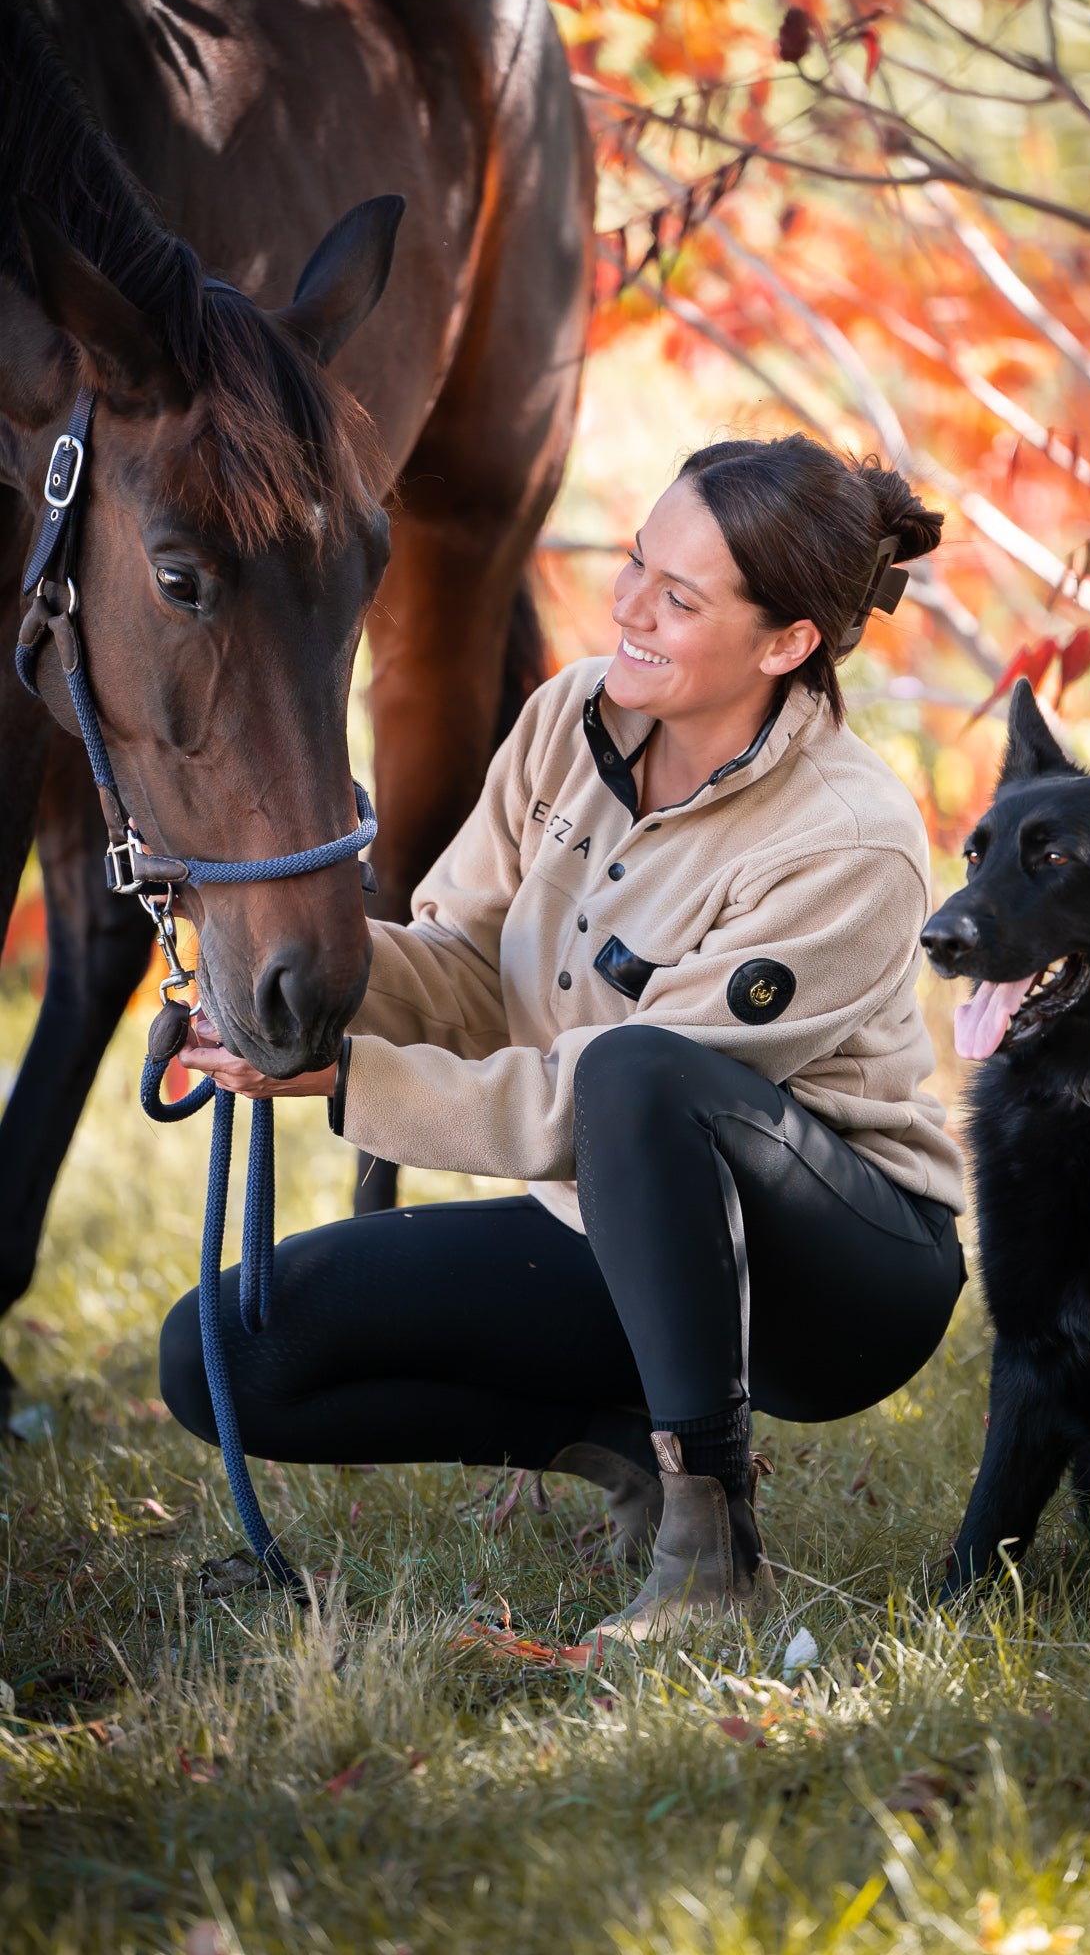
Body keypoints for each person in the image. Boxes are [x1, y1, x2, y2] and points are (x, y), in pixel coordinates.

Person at [159, 433, 967, 1643]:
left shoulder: (849, 837)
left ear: (786, 643)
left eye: (678, 597)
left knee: (638, 1069)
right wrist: (303, 987)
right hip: (615, 1226)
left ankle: (714, 1556)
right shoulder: (567, 718)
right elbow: (471, 962)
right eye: (637, 560)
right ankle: (627, 1440)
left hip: (840, 1274)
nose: (627, 604)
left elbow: (607, 1101)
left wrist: (352, 1082)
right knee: (223, 1355)